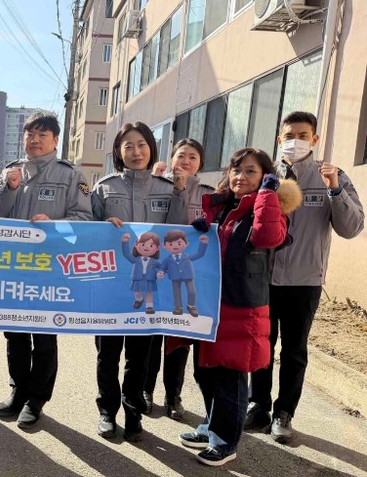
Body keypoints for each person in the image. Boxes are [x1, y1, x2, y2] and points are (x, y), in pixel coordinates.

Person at [245, 112, 364, 443]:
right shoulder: (265, 175)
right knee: (261, 345)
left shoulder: (331, 176)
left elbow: (352, 228)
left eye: (302, 135)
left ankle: (284, 413)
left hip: (305, 280)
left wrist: (335, 190)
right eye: (289, 136)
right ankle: (258, 405)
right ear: (279, 140)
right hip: (264, 278)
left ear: (314, 139)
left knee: (294, 351)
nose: (295, 141)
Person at [178, 148, 301, 467]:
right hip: (210, 304)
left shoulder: (269, 209)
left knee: (230, 377)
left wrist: (268, 195)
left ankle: (225, 442)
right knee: (205, 371)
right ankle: (211, 426)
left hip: (241, 306)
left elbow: (267, 236)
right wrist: (203, 227)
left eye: (250, 171)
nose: (240, 176)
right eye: (236, 169)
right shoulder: (223, 207)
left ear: (265, 177)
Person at [0, 112, 92, 428]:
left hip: (50, 270)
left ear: (55, 140)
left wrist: (55, 224)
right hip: (13, 268)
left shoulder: (71, 175)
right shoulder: (11, 171)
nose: (35, 140)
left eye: (42, 135)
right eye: (30, 134)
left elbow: (84, 219)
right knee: (15, 333)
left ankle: (36, 400)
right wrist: (9, 189)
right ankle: (18, 391)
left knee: (45, 336)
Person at [90, 122, 188, 441]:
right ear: (118, 152)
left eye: (142, 144)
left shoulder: (167, 188)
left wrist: (181, 193)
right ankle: (107, 411)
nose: (136, 152)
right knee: (107, 355)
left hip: (150, 288)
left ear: (151, 148)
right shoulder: (103, 188)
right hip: (110, 286)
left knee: (139, 357)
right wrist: (103, 226)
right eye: (128, 146)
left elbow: (180, 232)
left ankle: (133, 413)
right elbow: (86, 231)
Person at [145, 138, 214, 421]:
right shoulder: (157, 188)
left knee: (177, 339)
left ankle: (173, 395)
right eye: (181, 155)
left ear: (200, 163)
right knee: (150, 337)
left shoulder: (210, 194)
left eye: (193, 157)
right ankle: (145, 391)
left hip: (186, 276)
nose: (186, 161)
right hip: (154, 272)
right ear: (171, 158)